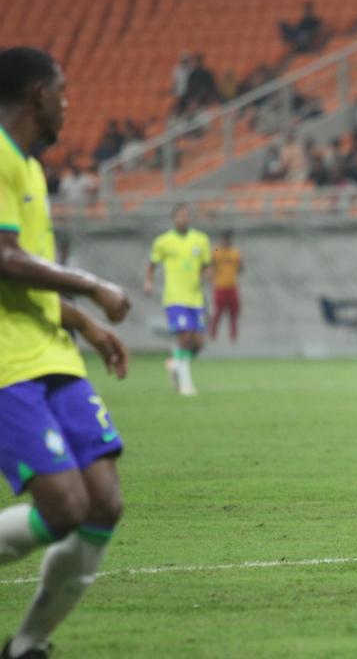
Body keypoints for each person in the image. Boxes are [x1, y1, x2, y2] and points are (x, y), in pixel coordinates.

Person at [0, 46, 133, 659]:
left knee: (104, 501)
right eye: (63, 91)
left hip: (53, 356)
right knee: (63, 506)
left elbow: (27, 275)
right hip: (8, 365)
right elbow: (3, 259)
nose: (68, 104)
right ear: (36, 96)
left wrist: (86, 323)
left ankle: (28, 645)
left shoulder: (27, 167)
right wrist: (92, 286)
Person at [144, 205, 211, 396]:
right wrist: (148, 282)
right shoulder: (163, 241)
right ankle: (185, 384)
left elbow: (206, 265)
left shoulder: (201, 240)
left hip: (195, 298)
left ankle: (174, 364)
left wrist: (205, 276)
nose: (183, 219)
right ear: (173, 218)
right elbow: (152, 264)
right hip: (175, 297)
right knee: (185, 337)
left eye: (186, 216)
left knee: (198, 343)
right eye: (180, 216)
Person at [209, 230, 243, 342]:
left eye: (227, 239)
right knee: (218, 312)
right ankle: (212, 333)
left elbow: (240, 267)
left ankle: (233, 335)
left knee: (234, 312)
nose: (225, 242)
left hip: (232, 286)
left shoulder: (235, 252)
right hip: (219, 286)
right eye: (224, 239)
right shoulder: (217, 250)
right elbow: (210, 256)